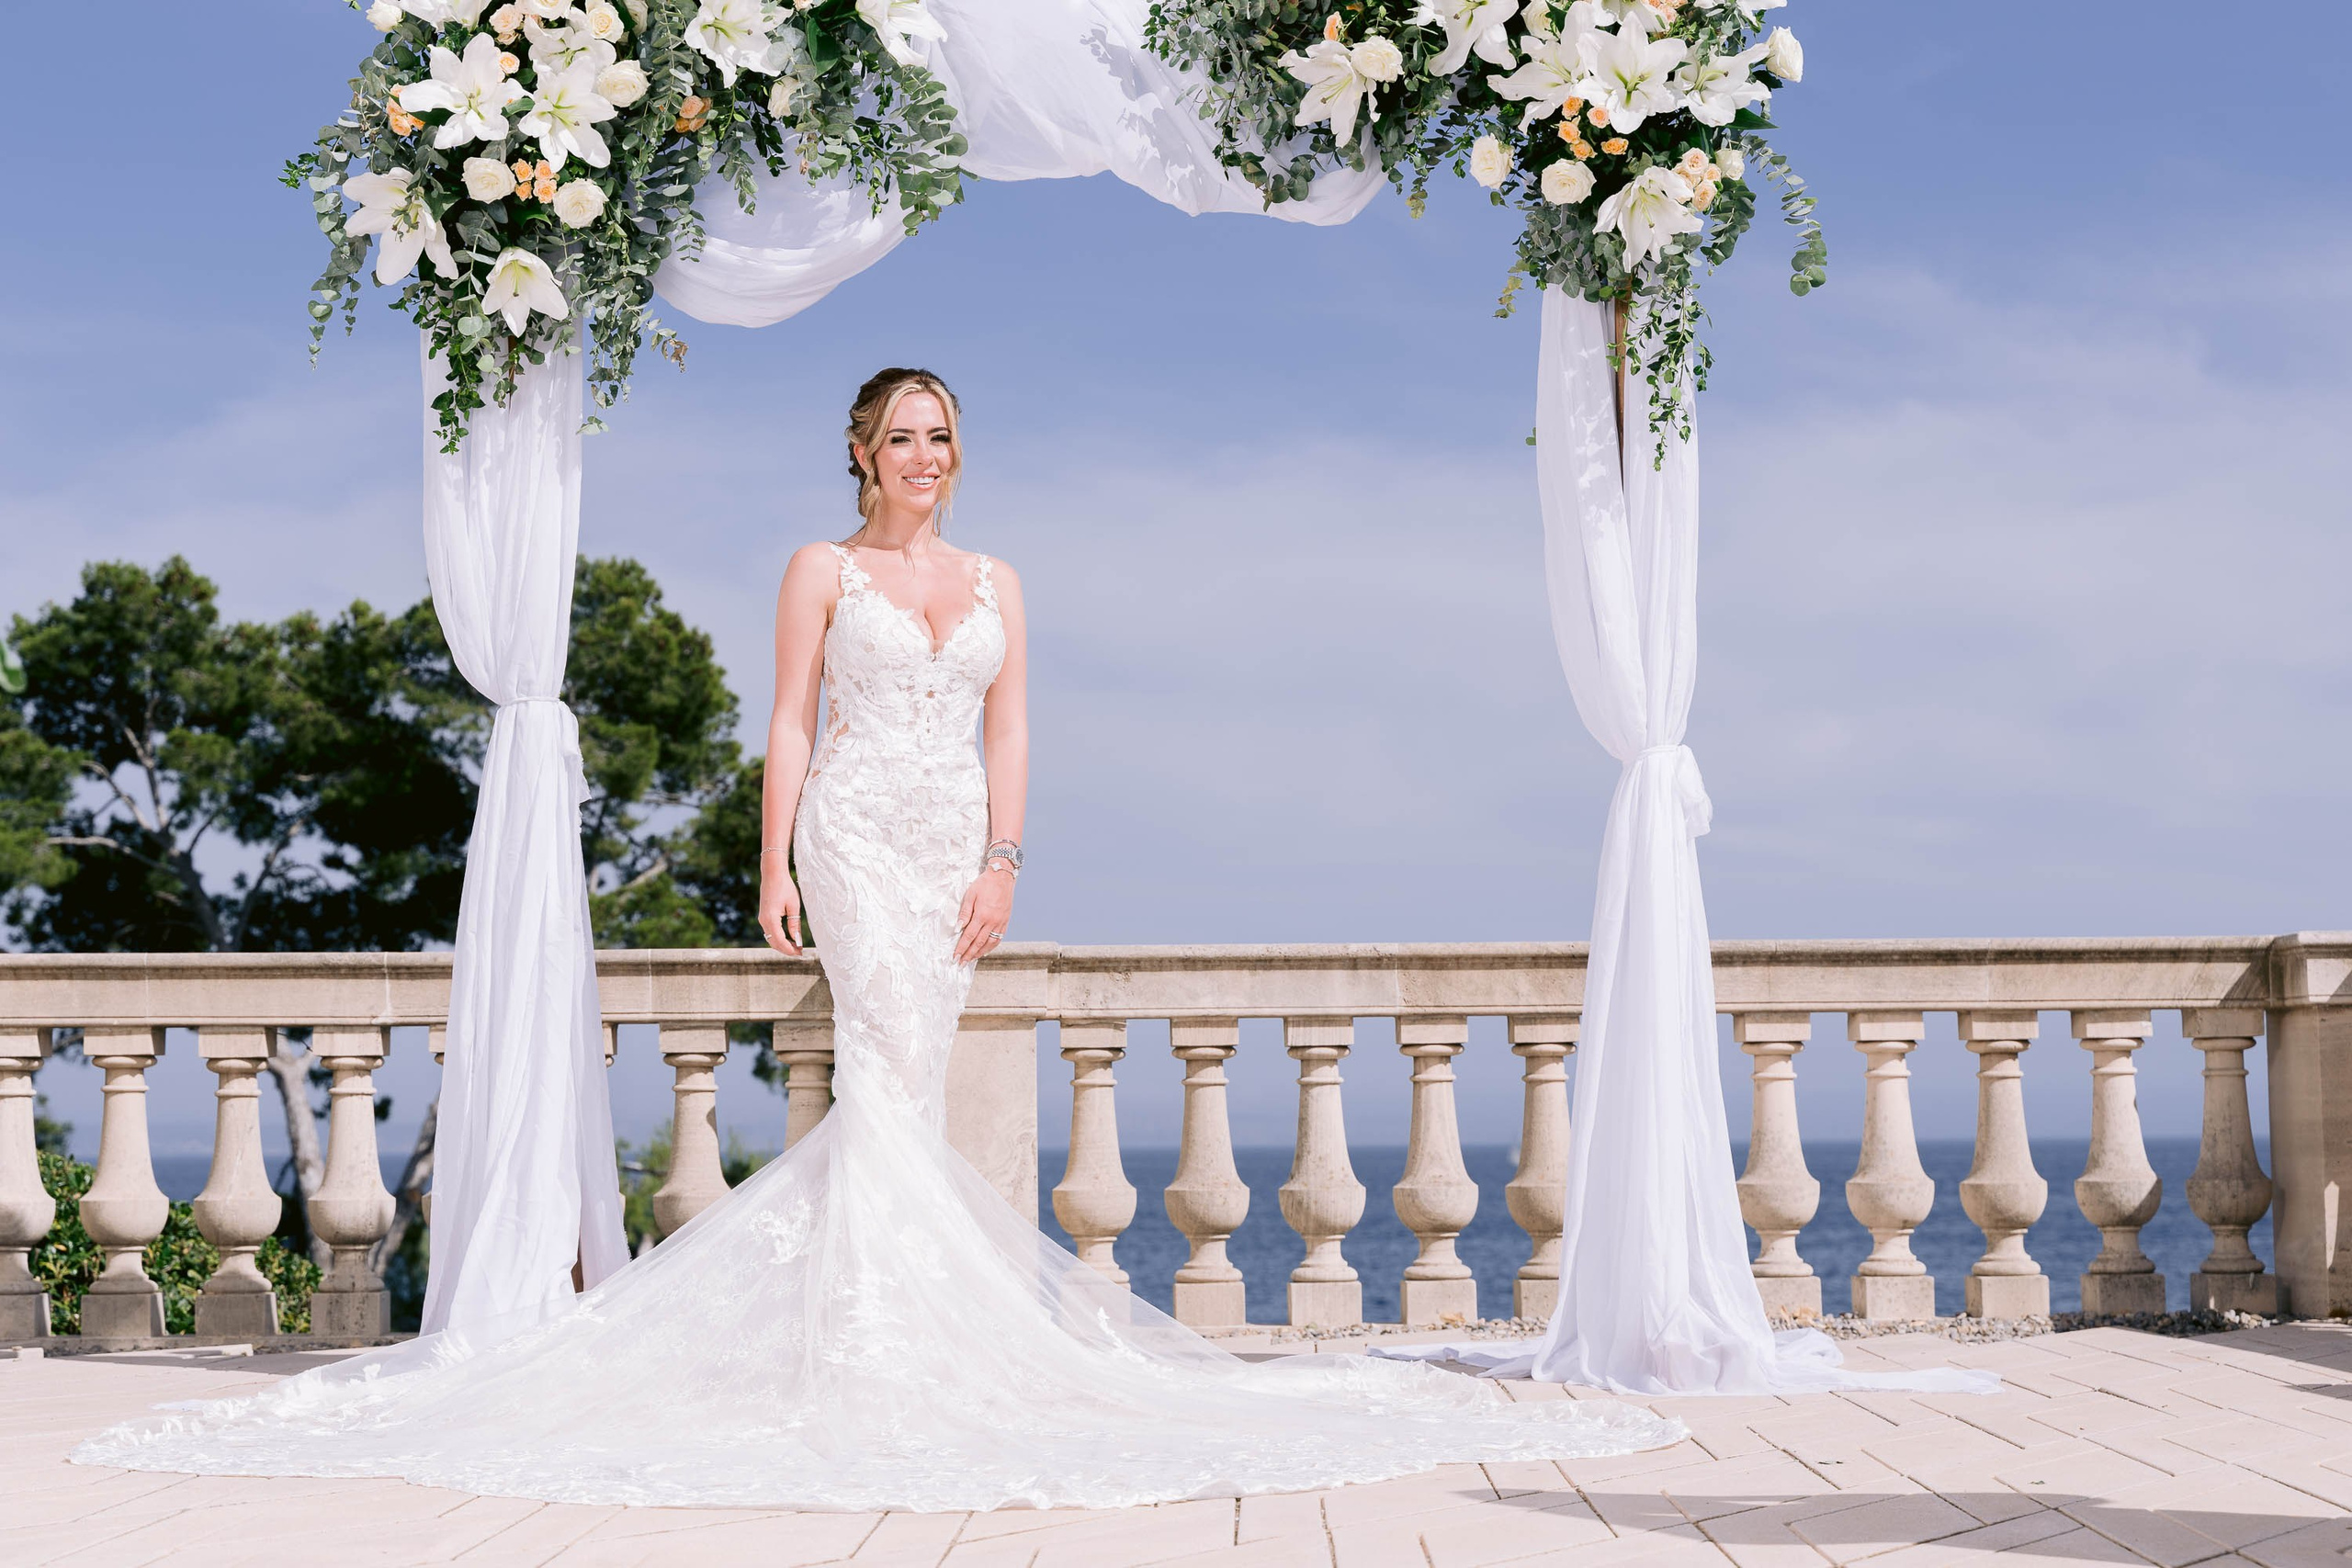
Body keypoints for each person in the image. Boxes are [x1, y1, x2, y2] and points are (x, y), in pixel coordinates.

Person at [70, 368, 1684, 1509]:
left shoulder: (998, 578)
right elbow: (784, 721)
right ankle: (878, 1341)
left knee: (900, 1095)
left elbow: (1020, 732)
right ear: (859, 448)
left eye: (946, 436)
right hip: (848, 830)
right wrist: (777, 861)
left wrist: (1006, 859)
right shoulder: (817, 565)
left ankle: (891, 1329)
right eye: (905, 435)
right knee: (892, 1080)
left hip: (950, 848)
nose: (928, 456)